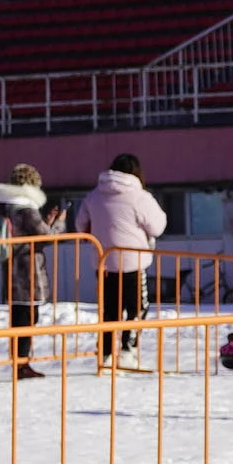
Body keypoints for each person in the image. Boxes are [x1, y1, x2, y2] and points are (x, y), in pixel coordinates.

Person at [78, 154, 164, 363]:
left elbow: (80, 225)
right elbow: (158, 226)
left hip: (103, 262)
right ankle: (127, 348)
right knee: (138, 307)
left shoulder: (93, 195)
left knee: (109, 309)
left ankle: (106, 353)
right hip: (133, 261)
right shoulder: (140, 197)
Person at [0, 165, 64, 378]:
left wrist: (46, 222)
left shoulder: (6, 208)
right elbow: (47, 236)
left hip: (11, 272)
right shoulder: (26, 210)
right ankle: (22, 363)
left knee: (18, 319)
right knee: (28, 319)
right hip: (28, 272)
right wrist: (59, 224)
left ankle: (19, 362)